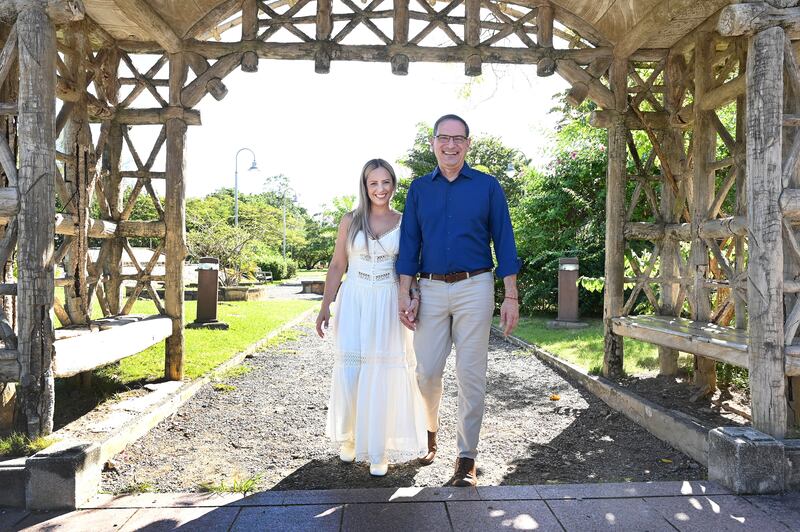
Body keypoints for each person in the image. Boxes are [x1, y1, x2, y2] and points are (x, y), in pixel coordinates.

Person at [396, 114, 520, 487]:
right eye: (443, 138)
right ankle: (430, 431)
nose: (451, 145)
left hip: (475, 286)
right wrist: (406, 291)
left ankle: (467, 460)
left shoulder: (487, 187)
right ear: (433, 143)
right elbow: (409, 244)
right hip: (430, 289)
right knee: (427, 372)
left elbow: (505, 240)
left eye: (458, 139)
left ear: (468, 144)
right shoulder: (419, 189)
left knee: (471, 376)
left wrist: (510, 294)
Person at [316, 158, 427, 477]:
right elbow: (338, 265)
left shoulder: (406, 221)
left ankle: (378, 449)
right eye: (373, 183)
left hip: (388, 301)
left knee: (382, 372)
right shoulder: (350, 220)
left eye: (386, 182)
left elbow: (410, 266)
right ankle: (350, 437)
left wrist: (413, 297)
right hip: (354, 300)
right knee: (352, 372)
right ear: (365, 186)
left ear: (393, 185)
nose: (380, 189)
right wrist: (326, 305)